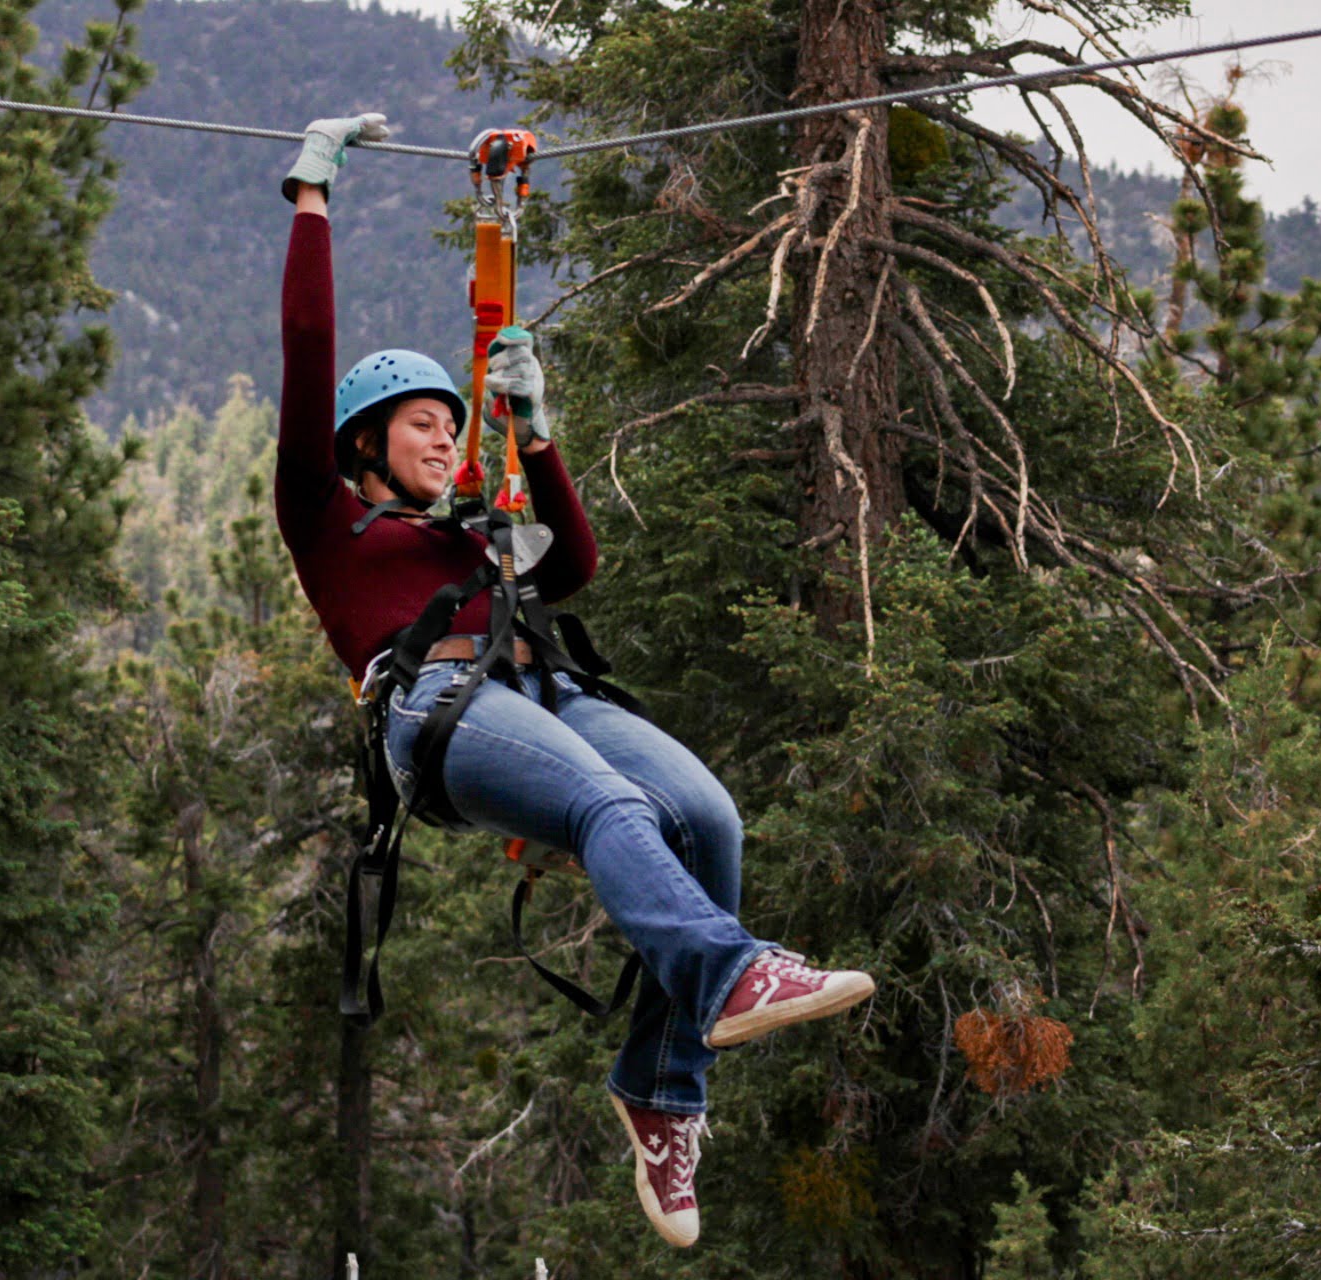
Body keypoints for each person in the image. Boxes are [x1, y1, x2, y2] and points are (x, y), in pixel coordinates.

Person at [274, 113, 876, 1249]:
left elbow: (576, 565)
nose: (445, 439)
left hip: (541, 689)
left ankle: (659, 1082)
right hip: (436, 713)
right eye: (421, 425)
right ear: (365, 444)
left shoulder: (467, 529)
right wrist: (312, 200)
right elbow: (308, 348)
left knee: (706, 815)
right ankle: (731, 973)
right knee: (615, 802)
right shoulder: (330, 522)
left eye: (452, 424)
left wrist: (537, 442)